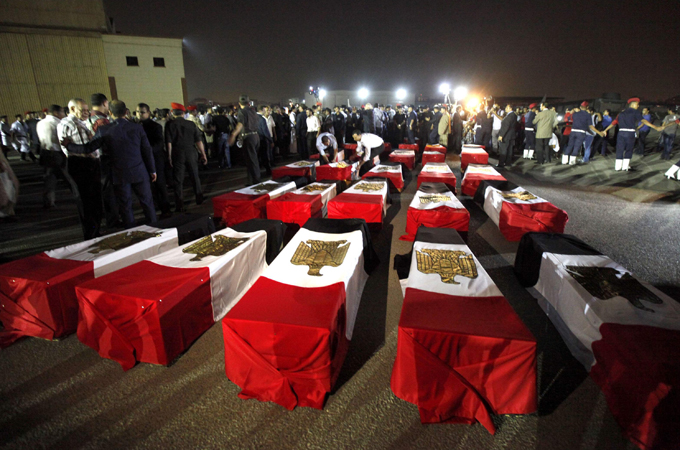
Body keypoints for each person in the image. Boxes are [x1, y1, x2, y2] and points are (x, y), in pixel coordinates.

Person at [73, 101, 157, 228]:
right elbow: (147, 150)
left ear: (110, 113)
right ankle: (156, 228)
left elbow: (88, 148)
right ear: (126, 112)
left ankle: (131, 231)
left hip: (119, 173)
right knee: (147, 202)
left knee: (125, 205)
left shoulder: (104, 130)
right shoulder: (137, 128)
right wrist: (152, 170)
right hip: (139, 170)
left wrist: (69, 145)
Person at [58, 98, 103, 239]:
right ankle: (90, 234)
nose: (86, 113)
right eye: (82, 110)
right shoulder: (67, 124)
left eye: (87, 110)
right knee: (86, 201)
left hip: (91, 164)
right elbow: (77, 149)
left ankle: (96, 230)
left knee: (95, 199)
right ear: (72, 109)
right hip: (81, 165)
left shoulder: (82, 123)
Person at [165, 102, 207, 211]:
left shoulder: (169, 124)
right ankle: (199, 198)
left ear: (173, 113)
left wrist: (169, 156)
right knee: (194, 176)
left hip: (177, 153)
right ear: (183, 113)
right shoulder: (191, 124)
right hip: (191, 152)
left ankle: (179, 204)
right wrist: (203, 154)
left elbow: (169, 142)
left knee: (178, 180)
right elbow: (198, 141)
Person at [602, 97, 662, 171]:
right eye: (637, 104)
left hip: (621, 133)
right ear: (633, 104)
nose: (638, 106)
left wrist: (605, 130)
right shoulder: (635, 112)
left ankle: (617, 167)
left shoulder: (621, 113)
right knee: (629, 149)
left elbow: (614, 122)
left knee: (620, 149)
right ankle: (625, 167)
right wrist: (655, 127)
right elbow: (643, 121)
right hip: (630, 133)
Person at [37, 104, 78, 209]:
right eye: (62, 112)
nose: (64, 114)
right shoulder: (59, 123)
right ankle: (78, 196)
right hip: (57, 153)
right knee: (69, 177)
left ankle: (48, 201)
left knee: (49, 178)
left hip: (45, 152)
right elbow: (63, 139)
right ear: (56, 113)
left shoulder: (40, 123)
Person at [88, 93, 119, 228]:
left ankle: (106, 217)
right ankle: (113, 219)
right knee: (110, 191)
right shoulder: (103, 122)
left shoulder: (88, 118)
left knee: (102, 190)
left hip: (93, 158)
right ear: (105, 103)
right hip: (105, 158)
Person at [138, 103, 172, 218]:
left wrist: (146, 150)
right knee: (148, 186)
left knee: (160, 184)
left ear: (148, 113)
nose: (139, 114)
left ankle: (165, 208)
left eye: (142, 112)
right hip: (142, 160)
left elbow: (159, 144)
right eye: (137, 112)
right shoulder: (135, 126)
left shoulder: (155, 126)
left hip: (156, 159)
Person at [228, 95, 261, 185]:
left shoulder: (242, 112)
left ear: (239, 103)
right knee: (252, 160)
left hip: (248, 137)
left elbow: (240, 124)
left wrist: (233, 135)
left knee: (252, 161)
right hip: (256, 136)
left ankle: (256, 182)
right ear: (248, 103)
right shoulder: (253, 111)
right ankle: (251, 181)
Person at [257, 105, 274, 176]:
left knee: (257, 157)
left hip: (255, 140)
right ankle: (268, 171)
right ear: (261, 110)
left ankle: (257, 172)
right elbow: (265, 131)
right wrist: (271, 140)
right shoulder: (262, 119)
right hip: (262, 140)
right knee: (264, 156)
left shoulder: (252, 118)